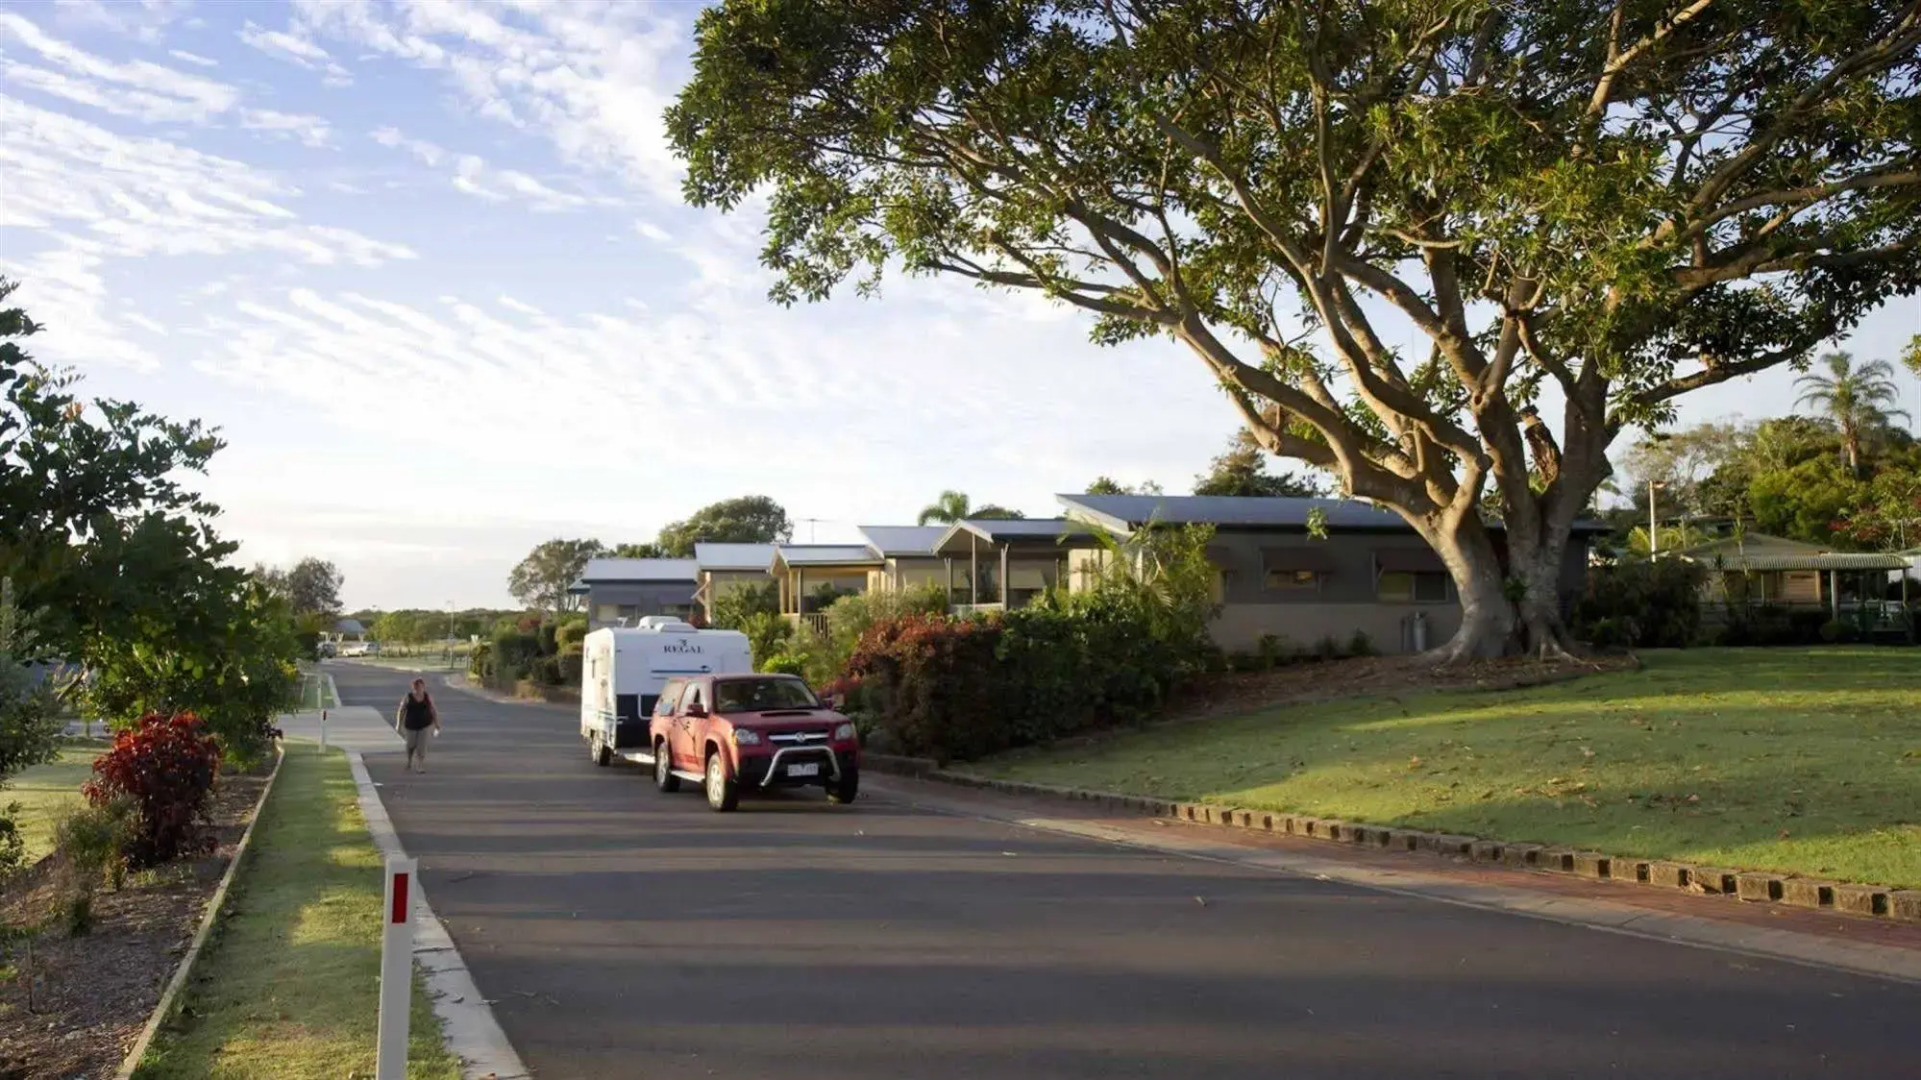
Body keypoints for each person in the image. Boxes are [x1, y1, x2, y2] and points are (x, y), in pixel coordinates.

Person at [394, 678, 441, 774]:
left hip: (424, 725)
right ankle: (409, 760)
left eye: (421, 687)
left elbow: (433, 710)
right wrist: (398, 724)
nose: (419, 689)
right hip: (410, 725)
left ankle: (420, 765)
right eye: (417, 687)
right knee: (410, 745)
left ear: (423, 687)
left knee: (421, 746)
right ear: (413, 688)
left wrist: (437, 724)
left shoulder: (427, 697)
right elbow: (401, 711)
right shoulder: (408, 697)